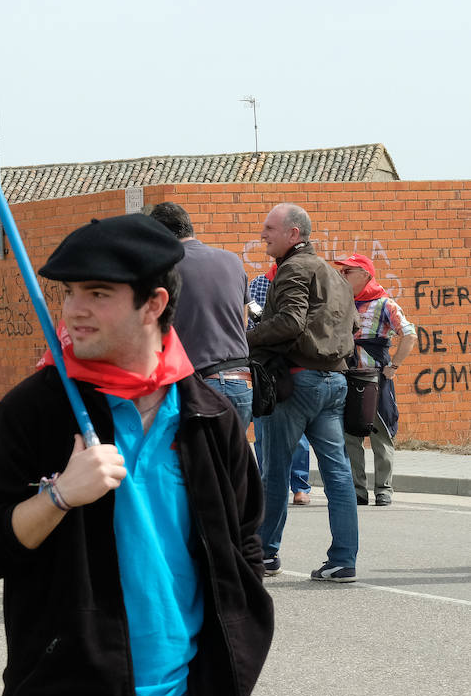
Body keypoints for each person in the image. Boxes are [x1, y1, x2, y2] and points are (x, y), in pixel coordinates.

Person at [0, 213, 273, 696]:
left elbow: (244, 544)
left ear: (154, 304)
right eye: (68, 293)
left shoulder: (210, 416)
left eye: (98, 293)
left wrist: (237, 653)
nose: (73, 311)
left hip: (193, 693)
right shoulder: (34, 412)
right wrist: (59, 496)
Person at [246, 203, 359, 582]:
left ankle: (265, 554)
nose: (263, 234)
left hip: (297, 382)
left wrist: (244, 339)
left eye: (269, 228)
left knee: (274, 472)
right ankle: (344, 560)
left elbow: (290, 322)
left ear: (294, 234)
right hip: (335, 383)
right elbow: (353, 324)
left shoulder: (292, 268)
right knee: (338, 474)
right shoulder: (332, 272)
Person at [149, 201, 254, 431]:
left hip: (198, 386)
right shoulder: (234, 261)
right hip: (242, 384)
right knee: (233, 463)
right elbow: (243, 322)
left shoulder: (164, 270)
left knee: (200, 465)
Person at [333, 253, 417, 507]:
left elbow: (409, 334)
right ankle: (358, 490)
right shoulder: (342, 302)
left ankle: (383, 489)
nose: (342, 275)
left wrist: (394, 366)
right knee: (350, 434)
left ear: (365, 275)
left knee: (380, 432)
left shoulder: (384, 303)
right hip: (347, 375)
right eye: (341, 271)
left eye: (348, 271)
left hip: (374, 378)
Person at [248, 266, 312, 505]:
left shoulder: (304, 283)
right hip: (263, 363)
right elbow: (248, 320)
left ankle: (300, 486)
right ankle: (268, 484)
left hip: (291, 364)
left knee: (296, 433)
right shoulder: (257, 285)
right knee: (263, 427)